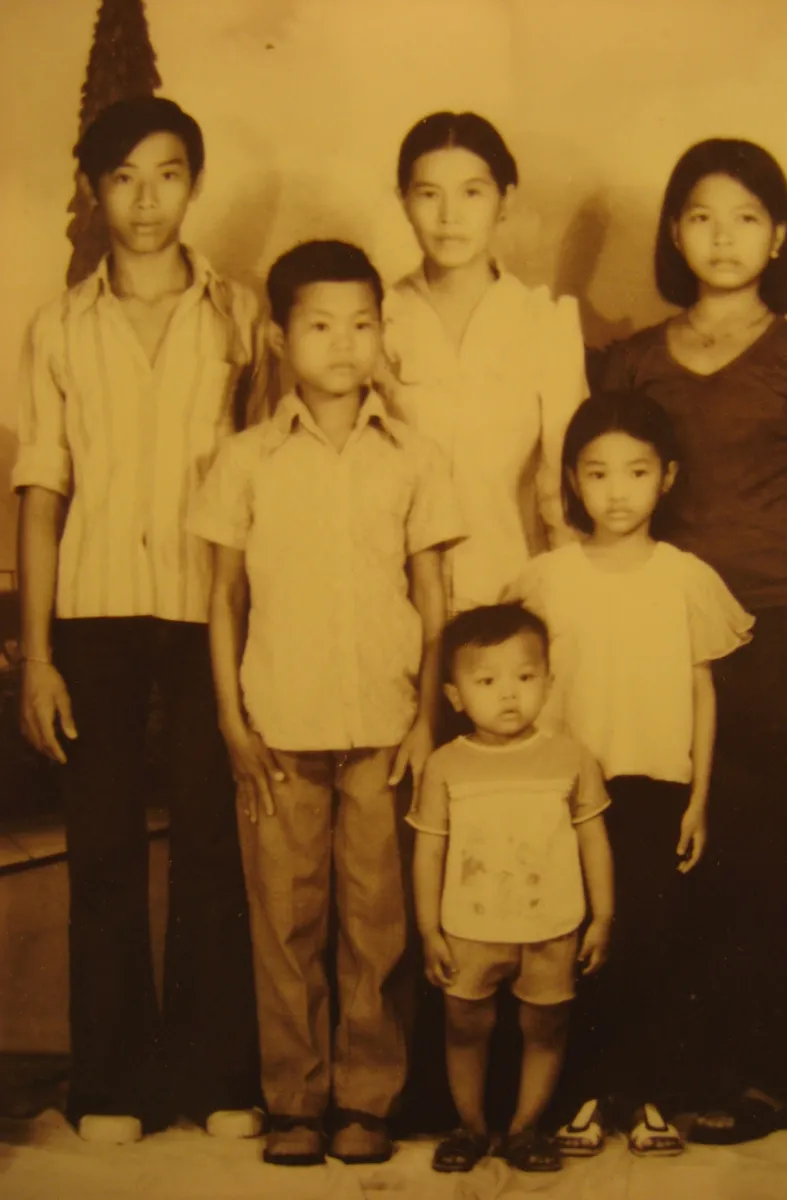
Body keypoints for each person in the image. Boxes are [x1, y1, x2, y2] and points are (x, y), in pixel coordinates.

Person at [591, 138, 787, 1143]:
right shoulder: (636, 361)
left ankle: (773, 1073)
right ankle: (682, 1066)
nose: (724, 236)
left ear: (779, 235)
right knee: (675, 850)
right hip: (661, 630)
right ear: (674, 232)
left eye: (748, 216)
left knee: (772, 855)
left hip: (781, 628)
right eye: (702, 215)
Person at [14, 96, 268, 1143]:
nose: (147, 197)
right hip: (98, 612)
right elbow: (41, 492)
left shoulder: (240, 316)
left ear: (193, 183)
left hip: (212, 608)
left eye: (168, 173)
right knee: (105, 844)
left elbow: (270, 474)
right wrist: (36, 655)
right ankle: (111, 1082)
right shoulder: (58, 327)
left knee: (215, 838)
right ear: (93, 189)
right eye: (123, 176)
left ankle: (217, 1076)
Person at [189, 240, 464, 1167]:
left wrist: (427, 719)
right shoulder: (245, 460)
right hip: (279, 727)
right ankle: (296, 1102)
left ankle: (367, 1101)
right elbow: (224, 600)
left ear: (382, 334)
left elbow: (435, 602)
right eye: (319, 324)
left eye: (361, 323)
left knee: (378, 926)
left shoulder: (415, 457)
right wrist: (232, 722)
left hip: (387, 730)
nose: (343, 343)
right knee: (286, 922)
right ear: (278, 336)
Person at [512, 393, 753, 1156]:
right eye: (598, 473)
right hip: (567, 793)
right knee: (576, 944)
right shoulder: (546, 579)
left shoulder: (686, 577)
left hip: (658, 787)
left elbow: (701, 693)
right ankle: (582, 1095)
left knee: (652, 940)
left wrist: (700, 801)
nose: (617, 491)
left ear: (667, 477)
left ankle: (648, 1094)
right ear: (572, 482)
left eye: (637, 471)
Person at [408, 602, 614, 1174]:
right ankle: (470, 1128)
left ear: (548, 682)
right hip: (470, 927)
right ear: (454, 696)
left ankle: (526, 1130)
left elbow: (594, 840)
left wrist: (602, 917)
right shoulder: (447, 766)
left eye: (525, 678)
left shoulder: (570, 758)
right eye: (487, 681)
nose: (508, 695)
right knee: (465, 1027)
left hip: (551, 925)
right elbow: (430, 851)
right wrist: (429, 928)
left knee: (545, 1026)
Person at [381, 111, 586, 613]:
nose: (449, 216)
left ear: (505, 201)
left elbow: (563, 483)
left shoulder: (544, 322)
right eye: (429, 194)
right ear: (402, 200)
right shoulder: (374, 320)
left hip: (514, 597)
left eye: (472, 192)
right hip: (393, 597)